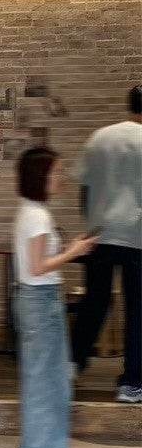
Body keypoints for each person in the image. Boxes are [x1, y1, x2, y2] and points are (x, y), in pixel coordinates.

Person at [13, 148, 95, 448]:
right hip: (40, 300)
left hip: (36, 299)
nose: (62, 177)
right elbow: (37, 267)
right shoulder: (37, 216)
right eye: (56, 172)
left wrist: (68, 248)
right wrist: (74, 252)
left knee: (41, 379)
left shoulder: (32, 211)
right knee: (47, 382)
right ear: (40, 177)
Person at [72, 86, 142, 402]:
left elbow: (85, 189)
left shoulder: (101, 137)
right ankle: (132, 383)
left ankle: (71, 366)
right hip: (138, 235)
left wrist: (89, 228)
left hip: (101, 233)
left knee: (94, 302)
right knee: (137, 309)